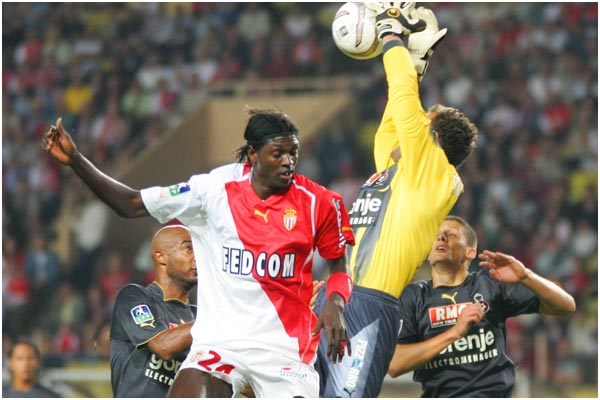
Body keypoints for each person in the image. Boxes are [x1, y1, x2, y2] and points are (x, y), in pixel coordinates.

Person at [41, 107, 355, 398]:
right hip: (221, 344)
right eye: (278, 153)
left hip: (285, 350)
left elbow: (339, 267)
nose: (288, 161)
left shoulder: (321, 203)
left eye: (293, 152)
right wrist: (76, 161)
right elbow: (131, 204)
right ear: (253, 154)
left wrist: (336, 304)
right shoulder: (213, 190)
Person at [313, 4, 478, 398]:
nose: (412, 124)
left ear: (433, 140)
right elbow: (392, 120)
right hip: (338, 296)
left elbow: (403, 97)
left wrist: (390, 34)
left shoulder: (434, 175)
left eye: (423, 122)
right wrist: (415, 64)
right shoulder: (396, 173)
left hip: (371, 306)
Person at [388, 215, 576, 397]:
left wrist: (526, 276)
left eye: (451, 234)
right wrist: (455, 333)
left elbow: (566, 305)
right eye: (436, 235)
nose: (441, 237)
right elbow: (395, 365)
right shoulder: (413, 296)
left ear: (470, 252)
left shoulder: (490, 283)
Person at [110, 224, 197, 397]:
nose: (198, 258)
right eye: (188, 249)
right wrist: (215, 319)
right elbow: (162, 346)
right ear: (161, 257)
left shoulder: (198, 316)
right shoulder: (134, 297)